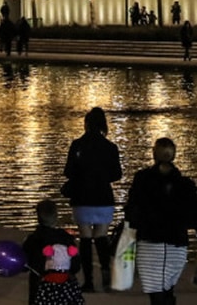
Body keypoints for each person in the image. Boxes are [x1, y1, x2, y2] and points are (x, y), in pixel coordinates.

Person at [126, 138, 197, 305]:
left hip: (149, 240)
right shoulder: (186, 184)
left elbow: (133, 208)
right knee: (168, 285)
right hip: (176, 241)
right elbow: (193, 213)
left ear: (154, 154)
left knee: (154, 289)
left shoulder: (142, 179)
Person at [63, 106, 123, 292]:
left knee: (86, 239)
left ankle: (88, 280)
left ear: (86, 124)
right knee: (101, 237)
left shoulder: (77, 145)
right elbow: (117, 174)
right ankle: (106, 274)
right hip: (103, 197)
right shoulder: (111, 147)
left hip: (82, 197)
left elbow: (68, 172)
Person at [21, 198, 83, 305]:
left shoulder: (33, 239)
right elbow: (75, 265)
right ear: (56, 217)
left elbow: (24, 263)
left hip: (39, 282)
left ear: (38, 217)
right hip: (65, 284)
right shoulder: (66, 238)